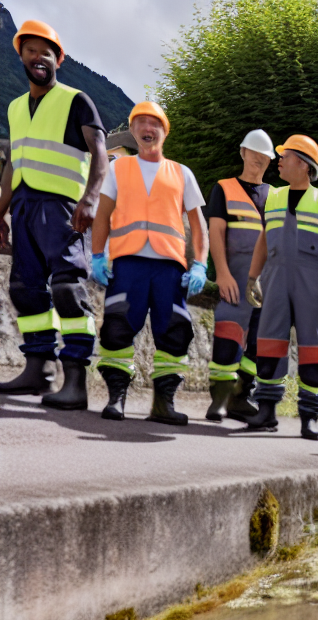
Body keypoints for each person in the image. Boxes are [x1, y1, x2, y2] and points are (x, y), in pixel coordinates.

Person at [0, 19, 109, 409]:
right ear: (22, 58)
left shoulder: (76, 99)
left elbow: (100, 153)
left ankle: (76, 380)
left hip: (63, 209)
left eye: (45, 52)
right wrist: (1, 212)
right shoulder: (15, 107)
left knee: (66, 288)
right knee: (25, 290)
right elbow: (13, 164)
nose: (37, 58)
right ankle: (38, 369)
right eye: (30, 51)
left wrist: (91, 198)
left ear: (58, 58)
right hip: (25, 208)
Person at [90, 101, 209, 424]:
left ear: (164, 131)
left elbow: (199, 226)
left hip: (169, 268)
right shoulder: (119, 169)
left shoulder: (182, 173)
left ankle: (163, 404)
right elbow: (102, 215)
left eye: (154, 123)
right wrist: (98, 255)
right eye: (140, 123)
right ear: (132, 131)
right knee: (117, 327)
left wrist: (200, 264)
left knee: (174, 331)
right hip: (127, 264)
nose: (147, 128)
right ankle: (117, 398)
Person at [244, 134, 318, 439]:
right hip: (275, 279)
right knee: (270, 342)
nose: (279, 160)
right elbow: (264, 238)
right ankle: (266, 410)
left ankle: (309, 416)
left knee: (313, 348)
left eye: (285, 156)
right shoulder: (273, 197)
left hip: (313, 283)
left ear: (303, 165)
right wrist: (253, 277)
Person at [204, 129, 275, 422]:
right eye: (254, 156)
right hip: (234, 275)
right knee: (228, 335)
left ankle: (239, 397)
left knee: (259, 343)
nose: (257, 162)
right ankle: (218, 401)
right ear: (243, 153)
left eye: (264, 159)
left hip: (266, 283)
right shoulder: (224, 188)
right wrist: (221, 273)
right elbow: (216, 232)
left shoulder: (276, 196)